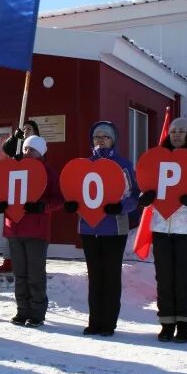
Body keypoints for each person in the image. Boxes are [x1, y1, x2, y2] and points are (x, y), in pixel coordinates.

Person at [138, 118, 187, 343]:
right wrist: (145, 198)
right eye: (173, 131)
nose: (177, 134)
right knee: (165, 278)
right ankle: (167, 322)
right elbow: (148, 187)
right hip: (161, 227)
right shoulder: (157, 160)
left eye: (182, 131)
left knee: (183, 279)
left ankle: (184, 324)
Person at [64, 122, 139, 337]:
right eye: (97, 136)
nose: (101, 140)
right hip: (89, 228)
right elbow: (75, 193)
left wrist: (121, 207)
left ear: (113, 140)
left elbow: (135, 196)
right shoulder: (84, 165)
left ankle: (109, 323)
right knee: (95, 276)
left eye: (106, 136)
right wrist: (72, 204)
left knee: (111, 276)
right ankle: (94, 321)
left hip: (114, 229)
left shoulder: (123, 165)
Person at [0, 135, 62, 328]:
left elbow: (58, 199)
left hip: (36, 231)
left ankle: (37, 313)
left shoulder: (47, 172)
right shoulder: (13, 169)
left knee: (35, 274)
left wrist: (42, 207)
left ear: (40, 152)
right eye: (25, 149)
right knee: (20, 274)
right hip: (14, 229)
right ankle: (22, 310)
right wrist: (0, 206)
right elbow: (1, 192)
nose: (27, 152)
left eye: (31, 150)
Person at [0, 120, 41, 274]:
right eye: (25, 128)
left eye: (30, 128)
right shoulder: (18, 152)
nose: (26, 130)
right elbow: (6, 149)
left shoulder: (38, 150)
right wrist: (15, 137)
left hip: (30, 194)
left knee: (28, 230)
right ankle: (8, 260)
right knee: (10, 227)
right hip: (14, 192)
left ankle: (27, 261)